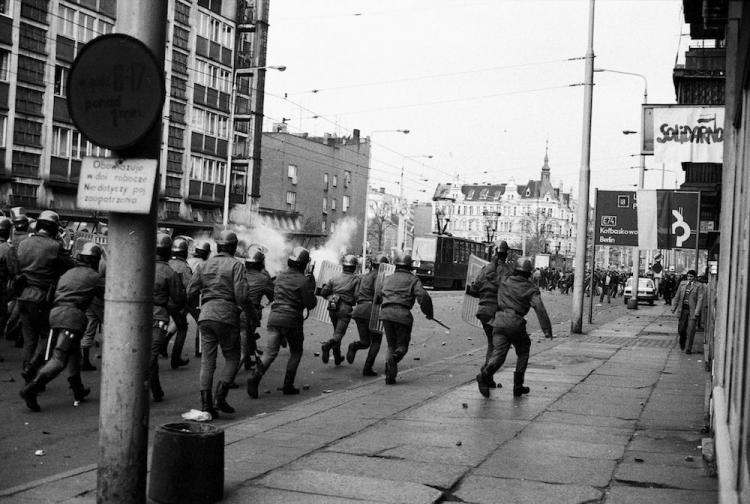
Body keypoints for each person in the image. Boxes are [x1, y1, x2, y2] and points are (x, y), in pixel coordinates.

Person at [19, 243, 104, 411]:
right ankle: (32, 388)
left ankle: (78, 389)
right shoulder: (94, 277)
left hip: (55, 313)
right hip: (72, 317)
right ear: (94, 260)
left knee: (72, 352)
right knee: (59, 358)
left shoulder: (68, 273)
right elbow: (109, 295)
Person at [187, 230, 254, 419]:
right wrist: (250, 315)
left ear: (218, 246)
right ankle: (220, 397)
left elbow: (190, 292)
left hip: (206, 316)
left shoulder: (204, 265)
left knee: (207, 362)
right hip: (226, 316)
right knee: (233, 358)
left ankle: (206, 404)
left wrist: (199, 311)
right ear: (233, 247)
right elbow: (241, 296)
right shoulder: (236, 266)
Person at [477, 257, 553, 398]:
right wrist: (547, 331)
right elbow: (540, 310)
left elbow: (489, 275)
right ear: (528, 273)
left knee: (499, 354)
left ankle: (485, 374)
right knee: (523, 351)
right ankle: (518, 386)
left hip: (498, 322)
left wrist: (495, 259)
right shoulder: (531, 289)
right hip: (516, 323)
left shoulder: (504, 281)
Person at [246, 246, 316, 398]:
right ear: (304, 264)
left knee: (270, 353)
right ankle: (287, 385)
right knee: (296, 352)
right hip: (292, 319)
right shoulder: (304, 281)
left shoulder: (279, 276)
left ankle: (255, 377)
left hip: (275, 317)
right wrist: (311, 284)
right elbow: (311, 304)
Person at [17, 210, 75, 383]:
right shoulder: (54, 247)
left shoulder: (23, 243)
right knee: (47, 336)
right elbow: (69, 267)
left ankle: (27, 372)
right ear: (53, 228)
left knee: (29, 339)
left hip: (23, 295)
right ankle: (33, 368)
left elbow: (16, 268)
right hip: (42, 297)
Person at [375, 251, 433, 385]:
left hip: (386, 314)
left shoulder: (387, 278)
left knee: (391, 344)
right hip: (402, 315)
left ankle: (390, 375)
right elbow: (423, 297)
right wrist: (428, 313)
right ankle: (394, 359)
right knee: (402, 346)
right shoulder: (413, 279)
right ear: (409, 267)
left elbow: (378, 296)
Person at [466, 240, 513, 388]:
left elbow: (474, 289)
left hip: (484, 311)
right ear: (506, 254)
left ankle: (488, 376)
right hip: (498, 313)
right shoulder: (509, 272)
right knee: (498, 347)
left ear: (494, 252)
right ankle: (485, 374)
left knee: (491, 343)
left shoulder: (485, 269)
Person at [151, 233, 186, 402]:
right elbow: (179, 299)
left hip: (135, 317)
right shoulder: (169, 272)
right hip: (158, 317)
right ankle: (153, 390)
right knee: (151, 356)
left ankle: (156, 390)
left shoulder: (139, 264)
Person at [348, 255, 388, 376]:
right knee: (376, 341)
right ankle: (367, 368)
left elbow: (356, 294)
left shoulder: (364, 276)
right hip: (371, 310)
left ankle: (354, 346)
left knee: (365, 342)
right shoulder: (380, 276)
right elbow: (378, 295)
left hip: (359, 310)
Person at [319, 254, 360, 366]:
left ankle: (337, 357)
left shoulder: (334, 278)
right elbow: (357, 296)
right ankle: (327, 346)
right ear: (354, 267)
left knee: (336, 331)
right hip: (345, 307)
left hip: (333, 305)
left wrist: (331, 298)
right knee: (339, 333)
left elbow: (323, 292)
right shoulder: (356, 279)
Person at [240, 244, 274, 372]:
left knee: (244, 339)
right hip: (249, 313)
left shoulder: (239, 273)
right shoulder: (263, 278)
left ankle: (248, 361)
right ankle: (227, 380)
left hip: (231, 310)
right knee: (243, 345)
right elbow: (272, 296)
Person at [164, 236, 192, 369]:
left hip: (162, 302)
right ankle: (175, 359)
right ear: (184, 252)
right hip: (175, 303)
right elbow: (189, 287)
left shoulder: (166, 263)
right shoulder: (184, 267)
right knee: (182, 328)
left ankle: (162, 346)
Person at [80, 256, 105, 371]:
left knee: (89, 330)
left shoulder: (83, 270)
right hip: (100, 301)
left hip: (91, 300)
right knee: (112, 328)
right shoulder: (104, 263)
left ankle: (85, 360)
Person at [671, 269, 705, 354]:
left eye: (691, 277)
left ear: (695, 277)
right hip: (683, 310)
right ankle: (683, 341)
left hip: (692, 311)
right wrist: (674, 307)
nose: (689, 278)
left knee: (691, 330)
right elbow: (677, 296)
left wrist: (697, 312)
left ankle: (688, 348)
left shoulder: (699, 286)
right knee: (681, 329)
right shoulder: (682, 284)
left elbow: (700, 299)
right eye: (688, 276)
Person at [187, 240, 210, 358]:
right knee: (200, 321)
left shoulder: (189, 261)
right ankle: (199, 349)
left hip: (183, 294)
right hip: (196, 296)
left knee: (179, 320)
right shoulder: (204, 265)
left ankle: (165, 340)